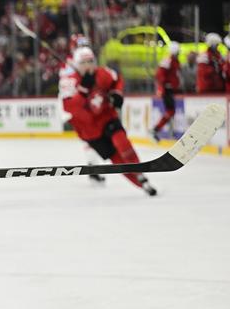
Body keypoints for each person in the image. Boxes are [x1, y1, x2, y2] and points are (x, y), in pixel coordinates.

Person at [60, 47, 157, 196]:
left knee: (122, 142)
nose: (88, 65)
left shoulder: (102, 73)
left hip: (106, 118)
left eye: (90, 61)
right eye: (84, 62)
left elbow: (117, 80)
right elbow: (70, 107)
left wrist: (116, 93)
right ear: (77, 64)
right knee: (117, 160)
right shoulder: (69, 82)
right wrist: (83, 91)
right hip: (89, 131)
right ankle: (141, 184)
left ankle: (140, 173)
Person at [151, 41, 183, 142]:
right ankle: (157, 129)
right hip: (167, 90)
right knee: (170, 111)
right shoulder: (168, 61)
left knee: (171, 111)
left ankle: (164, 130)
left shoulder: (174, 61)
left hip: (171, 89)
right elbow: (159, 75)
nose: (179, 53)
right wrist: (162, 87)